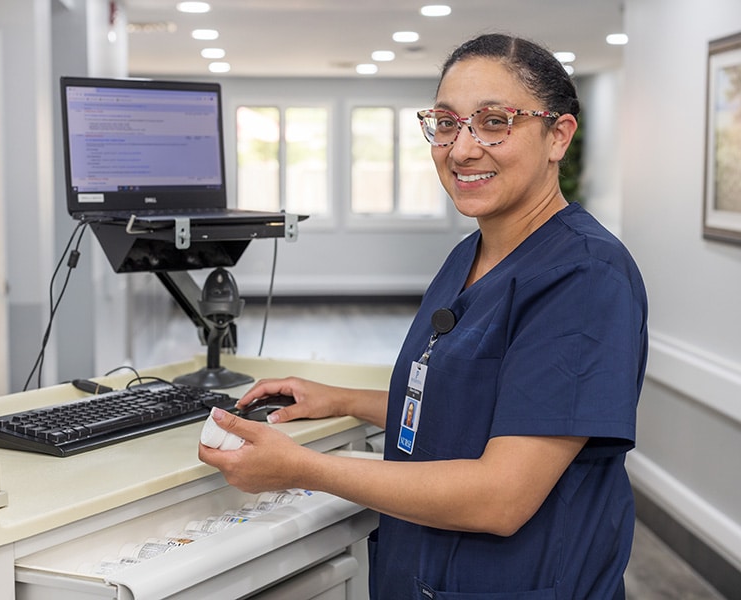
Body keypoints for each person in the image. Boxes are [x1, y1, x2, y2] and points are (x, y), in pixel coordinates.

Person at [199, 32, 648, 599]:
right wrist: (340, 399)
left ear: (558, 135)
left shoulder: (584, 278)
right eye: (445, 122)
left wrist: (301, 469)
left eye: (493, 121)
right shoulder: (473, 253)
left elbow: (501, 496)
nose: (461, 149)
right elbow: (469, 406)